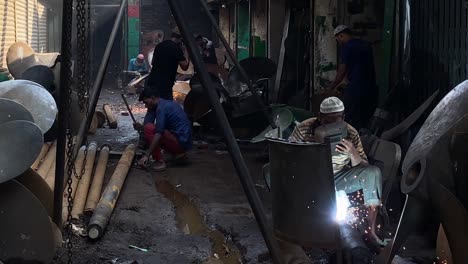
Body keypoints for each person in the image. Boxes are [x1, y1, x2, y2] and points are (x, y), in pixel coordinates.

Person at [289, 97, 383, 245]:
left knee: (373, 172)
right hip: (311, 179)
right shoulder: (304, 128)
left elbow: (365, 165)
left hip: (339, 178)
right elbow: (288, 158)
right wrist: (305, 148)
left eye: (336, 121)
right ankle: (301, 230)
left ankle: (370, 232)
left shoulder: (350, 132)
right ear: (319, 117)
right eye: (327, 121)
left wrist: (353, 153)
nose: (332, 125)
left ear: (343, 117)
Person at [328, 25, 377, 130]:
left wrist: (332, 86)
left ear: (341, 36)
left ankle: (349, 139)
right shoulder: (365, 44)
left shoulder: (347, 47)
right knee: (365, 116)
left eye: (337, 39)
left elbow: (342, 70)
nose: (338, 42)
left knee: (349, 115)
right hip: (371, 86)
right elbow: (358, 65)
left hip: (356, 87)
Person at [133, 88, 192, 171]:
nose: (146, 106)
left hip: (181, 143)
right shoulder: (166, 104)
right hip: (184, 142)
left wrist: (147, 154)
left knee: (149, 128)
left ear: (153, 98)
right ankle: (179, 154)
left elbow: (158, 133)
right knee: (149, 128)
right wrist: (141, 128)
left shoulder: (161, 108)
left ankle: (160, 161)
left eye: (146, 102)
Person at [146, 31, 190, 100]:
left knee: (154, 105)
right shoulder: (176, 48)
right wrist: (186, 50)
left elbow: (152, 62)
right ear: (180, 40)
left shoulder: (159, 46)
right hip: (165, 84)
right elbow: (185, 66)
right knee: (165, 104)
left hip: (153, 80)